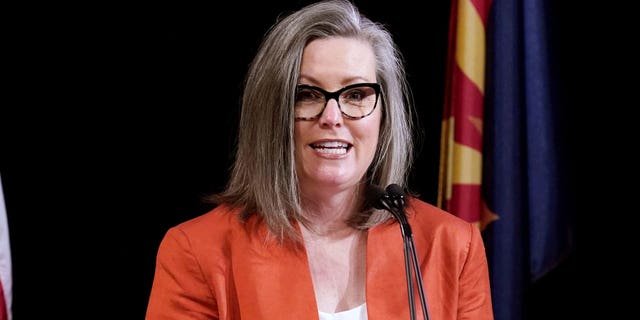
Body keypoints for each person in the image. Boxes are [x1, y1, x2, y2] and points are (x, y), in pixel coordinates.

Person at [145, 0, 493, 319]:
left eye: (356, 94)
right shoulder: (198, 252)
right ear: (272, 114)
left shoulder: (452, 245)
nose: (332, 116)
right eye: (307, 95)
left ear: (385, 117)